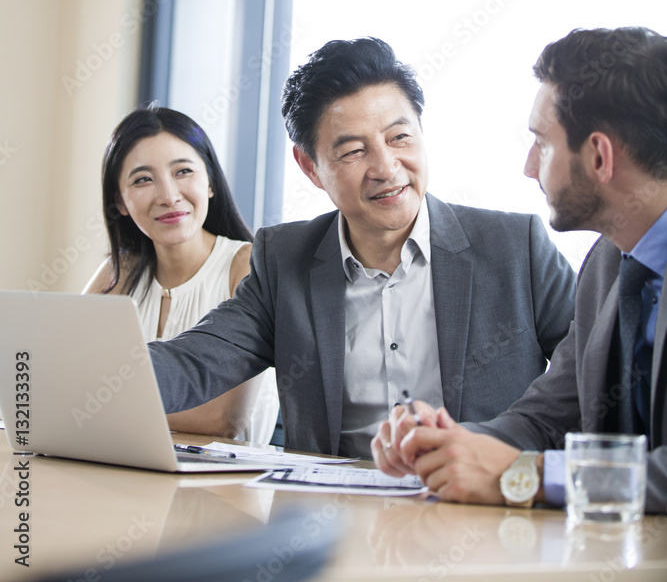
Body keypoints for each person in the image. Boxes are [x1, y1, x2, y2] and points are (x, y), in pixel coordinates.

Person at [145, 37, 576, 459]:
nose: (387, 168)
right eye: (353, 151)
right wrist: (101, 372)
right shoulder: (284, 259)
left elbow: (597, 378)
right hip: (330, 519)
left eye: (400, 138)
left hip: (478, 512)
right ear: (310, 166)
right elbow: (194, 364)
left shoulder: (517, 248)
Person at [372, 27, 667, 513]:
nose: (530, 168)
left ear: (599, 156)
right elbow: (546, 419)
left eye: (542, 144)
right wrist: (445, 443)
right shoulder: (611, 262)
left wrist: (526, 476)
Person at [83, 105, 279, 444]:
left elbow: (223, 418)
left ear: (211, 183)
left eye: (183, 171)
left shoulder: (247, 266)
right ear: (119, 201)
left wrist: (97, 407)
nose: (169, 196)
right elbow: (64, 381)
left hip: (227, 490)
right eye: (143, 179)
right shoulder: (117, 275)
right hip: (125, 473)